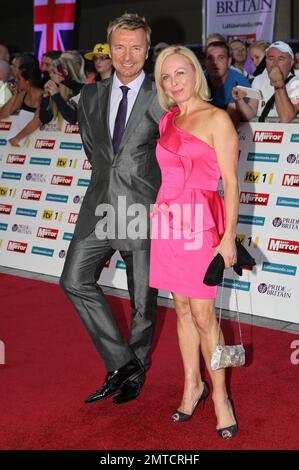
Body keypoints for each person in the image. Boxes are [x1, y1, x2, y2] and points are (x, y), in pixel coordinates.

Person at [60, 13, 163, 405]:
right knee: (73, 280)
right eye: (119, 46)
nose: (127, 55)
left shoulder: (162, 95)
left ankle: (135, 370)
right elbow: (94, 152)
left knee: (142, 303)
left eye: (136, 47)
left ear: (147, 50)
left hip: (141, 208)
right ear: (108, 47)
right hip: (99, 205)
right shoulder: (88, 96)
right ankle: (123, 362)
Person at [150, 45, 239, 439]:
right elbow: (168, 173)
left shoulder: (217, 118)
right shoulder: (167, 119)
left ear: (196, 74)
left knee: (205, 316)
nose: (174, 83)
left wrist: (228, 240)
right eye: (166, 77)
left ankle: (221, 396)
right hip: (169, 224)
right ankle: (193, 385)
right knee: (181, 309)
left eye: (180, 73)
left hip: (202, 224)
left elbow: (233, 185)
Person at [232, 41, 299, 122]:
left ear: (291, 63)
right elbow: (251, 114)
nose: (275, 63)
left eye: (281, 59)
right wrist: (239, 100)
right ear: (266, 62)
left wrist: (278, 83)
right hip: (261, 132)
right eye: (271, 58)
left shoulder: (296, 84)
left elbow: (286, 118)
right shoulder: (259, 79)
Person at [205, 41, 251, 126]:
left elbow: (230, 122)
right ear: (205, 62)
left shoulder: (239, 82)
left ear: (229, 61)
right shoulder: (197, 80)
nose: (215, 63)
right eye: (210, 58)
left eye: (221, 58)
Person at [0, 58, 43, 146]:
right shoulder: (22, 95)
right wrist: (14, 96)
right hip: (25, 142)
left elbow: (37, 121)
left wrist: (17, 138)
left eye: (19, 79)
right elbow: (3, 114)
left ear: (28, 81)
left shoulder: (43, 96)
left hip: (37, 142)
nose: (15, 80)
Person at [39, 57, 84, 127]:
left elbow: (73, 118)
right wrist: (45, 97)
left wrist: (56, 96)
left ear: (65, 73)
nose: (50, 75)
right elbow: (45, 119)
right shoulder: (55, 88)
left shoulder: (80, 89)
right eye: (50, 72)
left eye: (54, 72)